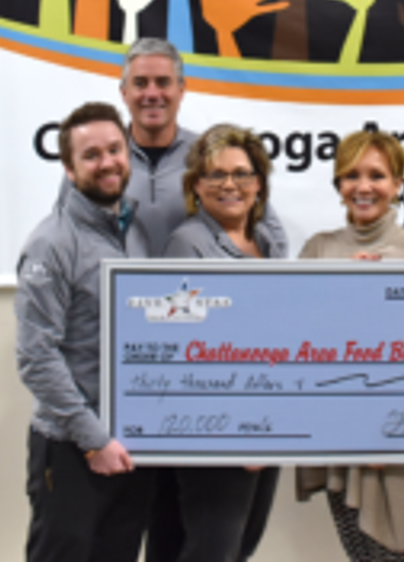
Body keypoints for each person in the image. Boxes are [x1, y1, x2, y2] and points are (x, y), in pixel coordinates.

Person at [112, 38, 284, 562]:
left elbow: (282, 297)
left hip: (253, 404)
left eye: (163, 82)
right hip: (170, 385)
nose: (152, 93)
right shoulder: (110, 159)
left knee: (226, 541)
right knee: (183, 534)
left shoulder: (263, 234)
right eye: (141, 82)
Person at [16, 102, 153, 562]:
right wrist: (94, 440)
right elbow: (36, 356)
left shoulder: (134, 232)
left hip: (129, 444)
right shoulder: (51, 243)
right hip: (72, 446)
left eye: (114, 149)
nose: (107, 162)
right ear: (69, 169)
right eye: (91, 155)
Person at [298, 130, 404, 562]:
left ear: (397, 184)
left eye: (377, 175)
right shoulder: (319, 250)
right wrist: (338, 287)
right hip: (338, 435)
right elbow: (296, 342)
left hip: (394, 440)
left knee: (389, 553)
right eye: (351, 175)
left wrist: (388, 436)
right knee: (361, 554)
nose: (363, 187)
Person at [161, 124, 287, 562]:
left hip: (266, 422)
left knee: (240, 546)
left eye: (242, 174)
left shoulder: (267, 242)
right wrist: (238, 434)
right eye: (216, 174)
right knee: (211, 550)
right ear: (197, 185)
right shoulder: (187, 244)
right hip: (214, 432)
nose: (230, 184)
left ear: (259, 184)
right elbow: (188, 353)